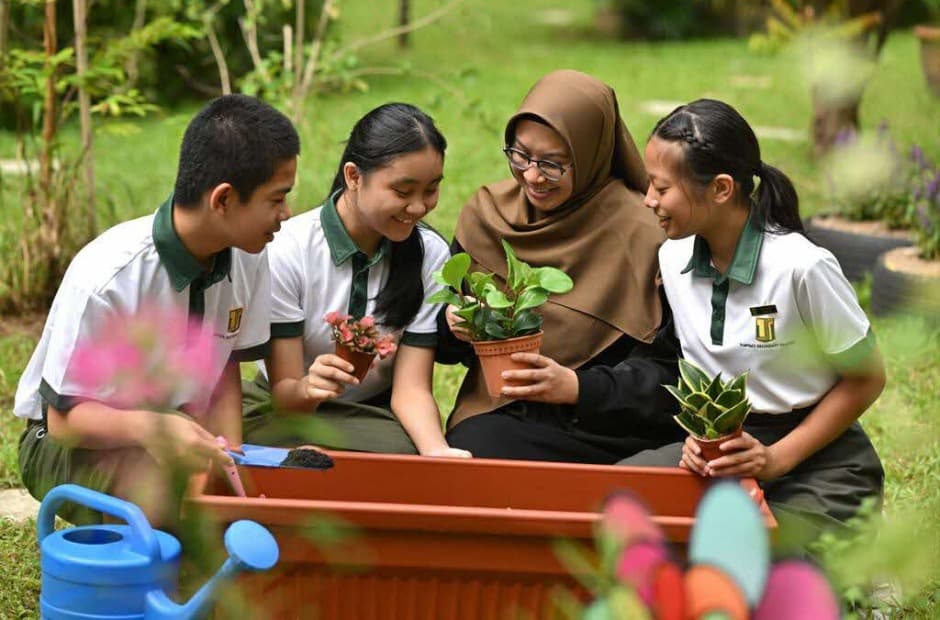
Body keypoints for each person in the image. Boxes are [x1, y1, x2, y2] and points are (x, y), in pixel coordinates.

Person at [15, 94, 299, 525]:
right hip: (65, 440)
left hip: (173, 422)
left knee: (260, 480)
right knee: (170, 495)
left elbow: (224, 369)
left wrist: (231, 463)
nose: (287, 213)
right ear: (223, 199)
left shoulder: (249, 254)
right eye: (277, 199)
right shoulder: (110, 278)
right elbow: (63, 422)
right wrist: (155, 430)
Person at [620, 99, 885, 533]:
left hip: (819, 460)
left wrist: (775, 459)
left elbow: (867, 378)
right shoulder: (673, 257)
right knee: (611, 509)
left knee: (762, 558)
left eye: (662, 188)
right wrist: (700, 442)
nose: (648, 200)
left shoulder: (802, 267)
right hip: (724, 455)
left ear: (721, 189)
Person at [436, 70, 685, 463]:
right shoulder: (488, 217)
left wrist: (576, 387)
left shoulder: (647, 236)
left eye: (553, 164)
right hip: (509, 413)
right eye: (519, 155)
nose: (532, 176)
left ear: (590, 155)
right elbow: (444, 349)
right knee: (472, 449)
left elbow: (671, 375)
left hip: (609, 425)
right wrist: (454, 324)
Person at [242, 103, 469, 458]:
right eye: (403, 191)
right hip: (284, 407)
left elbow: (411, 390)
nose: (418, 207)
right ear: (354, 177)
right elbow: (286, 397)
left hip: (368, 415)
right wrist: (309, 387)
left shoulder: (430, 254)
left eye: (430, 190)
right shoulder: (288, 250)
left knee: (401, 458)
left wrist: (437, 453)